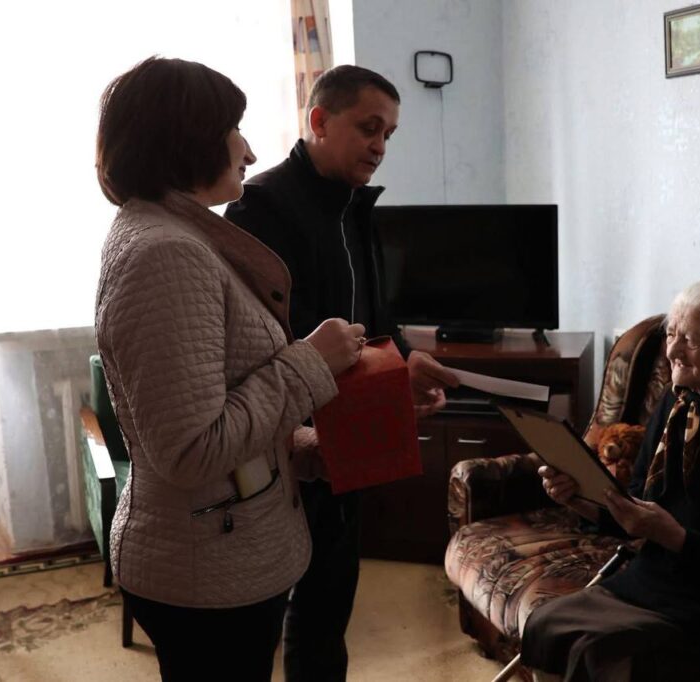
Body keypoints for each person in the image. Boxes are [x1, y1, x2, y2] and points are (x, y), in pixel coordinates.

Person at [94, 56, 365, 682]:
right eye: (234, 129)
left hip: (220, 547)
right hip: (203, 568)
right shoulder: (167, 254)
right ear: (187, 139)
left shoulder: (173, 236)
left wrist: (298, 447)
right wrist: (310, 362)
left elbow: (217, 400)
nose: (249, 150)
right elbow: (192, 450)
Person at [224, 64, 459, 681]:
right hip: (279, 442)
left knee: (327, 608)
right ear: (320, 121)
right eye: (369, 128)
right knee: (258, 622)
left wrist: (403, 362)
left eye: (389, 135)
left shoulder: (357, 206)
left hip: (346, 442)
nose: (380, 146)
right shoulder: (258, 209)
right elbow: (249, 343)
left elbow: (373, 319)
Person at [523, 279, 700, 682]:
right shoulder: (677, 401)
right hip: (660, 579)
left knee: (602, 653)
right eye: (672, 334)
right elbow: (636, 506)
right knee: (545, 625)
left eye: (691, 340)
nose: (672, 351)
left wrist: (674, 537)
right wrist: (578, 499)